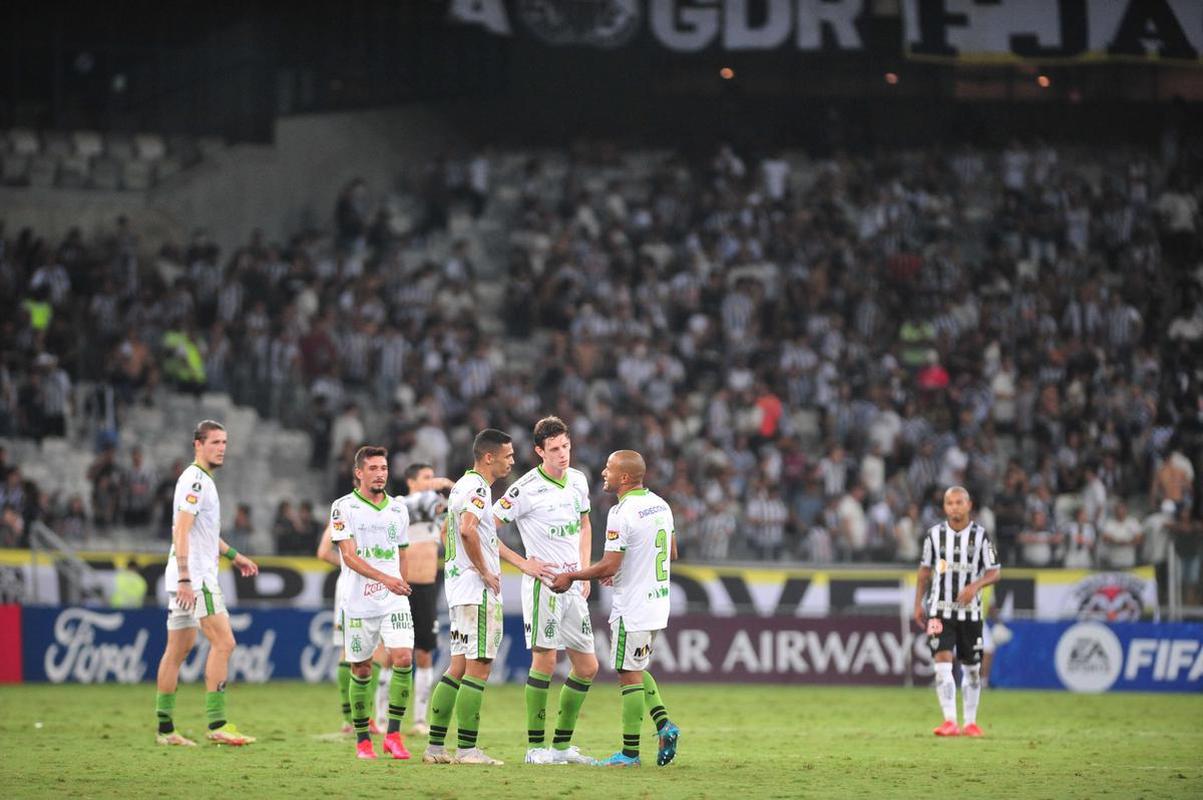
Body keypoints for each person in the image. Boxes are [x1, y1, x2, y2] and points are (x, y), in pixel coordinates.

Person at [422, 429, 552, 766]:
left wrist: (522, 564)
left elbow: (450, 532)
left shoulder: (461, 487)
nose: (512, 460)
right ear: (489, 456)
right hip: (475, 591)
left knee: (457, 667)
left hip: (457, 588)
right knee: (478, 669)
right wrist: (483, 570)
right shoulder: (478, 487)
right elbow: (466, 530)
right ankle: (467, 750)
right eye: (508, 455)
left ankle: (435, 749)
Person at [551, 449, 681, 768]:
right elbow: (671, 552)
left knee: (627, 673)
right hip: (657, 602)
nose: (603, 474)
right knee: (636, 667)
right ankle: (664, 725)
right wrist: (620, 570)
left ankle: (630, 754)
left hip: (632, 606)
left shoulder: (621, 513)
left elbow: (609, 563)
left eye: (608, 469)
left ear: (624, 477)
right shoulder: (660, 504)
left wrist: (572, 575)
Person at [493, 416, 596, 765]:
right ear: (539, 451)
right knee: (546, 660)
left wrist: (583, 573)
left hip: (572, 586)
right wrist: (523, 563)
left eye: (566, 446)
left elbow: (585, 525)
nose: (562, 454)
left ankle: (562, 746)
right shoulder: (524, 489)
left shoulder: (578, 481)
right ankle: (535, 748)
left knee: (587, 667)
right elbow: (483, 530)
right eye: (554, 449)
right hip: (544, 587)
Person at [154, 420, 260, 746]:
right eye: (215, 442)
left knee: (178, 648)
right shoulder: (197, 481)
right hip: (195, 578)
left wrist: (234, 555)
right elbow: (181, 530)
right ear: (198, 444)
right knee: (224, 642)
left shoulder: (200, 481)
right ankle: (217, 724)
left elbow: (203, 533)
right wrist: (187, 578)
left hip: (185, 575)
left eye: (225, 442)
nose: (222, 448)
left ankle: (166, 730)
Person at [328, 445, 415, 761]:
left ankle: (393, 734)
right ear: (359, 473)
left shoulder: (398, 509)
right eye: (374, 468)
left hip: (393, 601)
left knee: (404, 658)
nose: (381, 474)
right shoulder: (343, 508)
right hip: (358, 601)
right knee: (362, 669)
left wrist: (400, 583)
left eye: (384, 467)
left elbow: (402, 551)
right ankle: (363, 739)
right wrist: (386, 578)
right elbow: (348, 557)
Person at [913, 486, 1000, 738]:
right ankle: (949, 720)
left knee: (972, 668)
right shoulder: (934, 535)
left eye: (959, 502)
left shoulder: (982, 537)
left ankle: (970, 722)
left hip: (971, 614)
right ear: (945, 507)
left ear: (969, 505)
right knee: (942, 662)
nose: (954, 507)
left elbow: (995, 571)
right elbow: (924, 572)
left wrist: (976, 585)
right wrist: (917, 603)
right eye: (949, 503)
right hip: (938, 611)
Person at [401, 462, 455, 736]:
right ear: (410, 481)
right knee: (392, 655)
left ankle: (420, 720)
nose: (432, 482)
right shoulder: (400, 506)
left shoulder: (436, 517)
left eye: (433, 477)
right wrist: (440, 484)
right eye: (426, 478)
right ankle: (382, 719)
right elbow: (422, 500)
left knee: (424, 653)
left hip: (426, 589)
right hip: (399, 588)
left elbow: (458, 501)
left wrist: (451, 489)